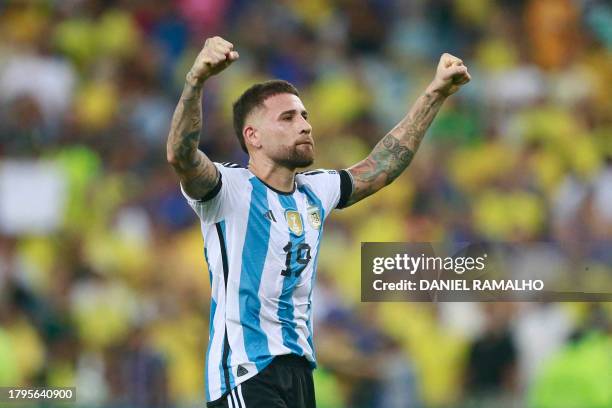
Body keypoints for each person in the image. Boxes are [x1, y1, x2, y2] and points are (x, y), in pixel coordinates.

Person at [166, 36, 470, 408]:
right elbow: (181, 155)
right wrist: (195, 81)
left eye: (305, 116)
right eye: (288, 117)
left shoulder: (315, 191)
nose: (305, 125)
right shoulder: (227, 189)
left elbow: (382, 166)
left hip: (299, 372)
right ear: (253, 137)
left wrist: (435, 94)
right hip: (245, 372)